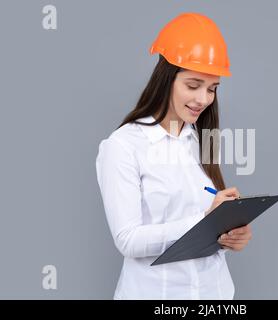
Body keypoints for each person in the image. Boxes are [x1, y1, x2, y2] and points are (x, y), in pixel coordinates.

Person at [95, 12, 252, 300]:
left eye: (212, 89)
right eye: (193, 86)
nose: (203, 99)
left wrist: (231, 236)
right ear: (166, 79)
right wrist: (205, 219)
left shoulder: (199, 140)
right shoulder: (123, 146)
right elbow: (128, 240)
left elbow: (207, 230)